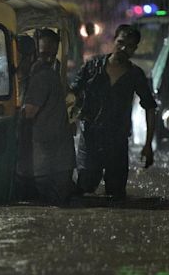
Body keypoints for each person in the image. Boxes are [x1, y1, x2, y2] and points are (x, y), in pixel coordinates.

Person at [70, 24, 157, 199]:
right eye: (121, 43)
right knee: (84, 188)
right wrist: (70, 119)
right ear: (114, 41)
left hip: (117, 140)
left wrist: (148, 145)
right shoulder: (92, 67)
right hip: (90, 138)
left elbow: (149, 107)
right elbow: (72, 94)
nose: (124, 48)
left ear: (135, 49)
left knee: (116, 194)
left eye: (130, 46)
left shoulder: (135, 75)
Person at [16, 29, 76, 205]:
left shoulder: (42, 76)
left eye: (50, 55)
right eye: (44, 55)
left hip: (48, 161)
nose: (48, 59)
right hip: (57, 159)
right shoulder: (48, 73)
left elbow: (29, 112)